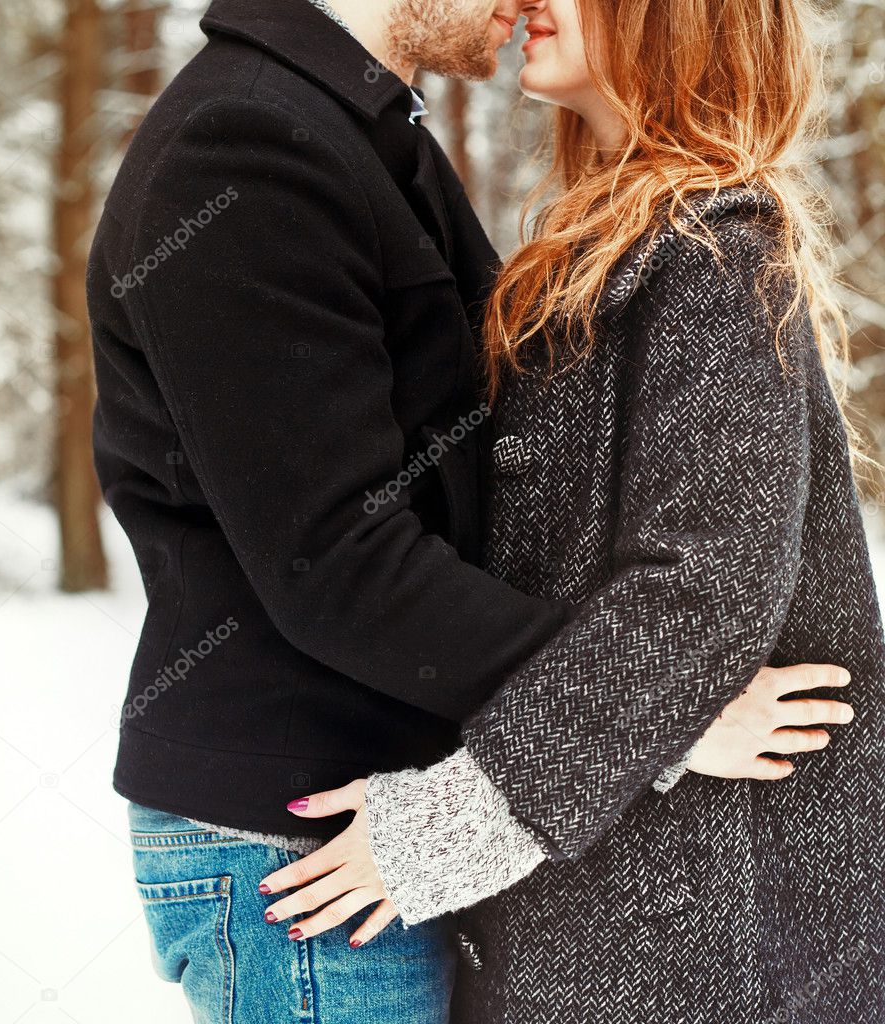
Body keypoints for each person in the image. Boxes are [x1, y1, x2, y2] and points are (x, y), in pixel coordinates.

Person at [87, 0, 857, 1020]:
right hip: (305, 832)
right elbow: (341, 555)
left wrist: (624, 717)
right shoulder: (252, 140)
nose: (527, 0)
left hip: (406, 836)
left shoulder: (384, 139)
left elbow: (689, 583)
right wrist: (659, 715)